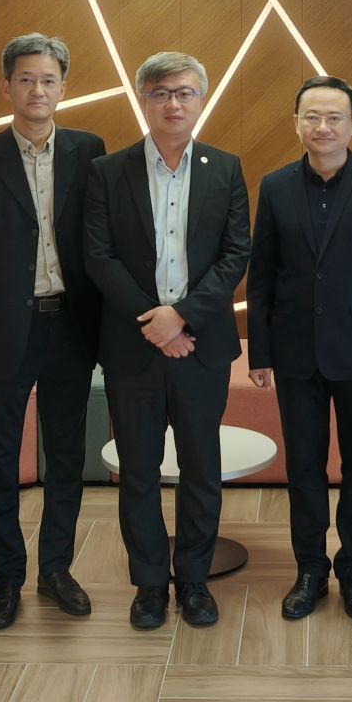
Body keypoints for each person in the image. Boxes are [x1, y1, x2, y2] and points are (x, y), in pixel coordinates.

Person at [85, 51, 251, 631]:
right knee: (138, 471)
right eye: (160, 93)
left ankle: (195, 582)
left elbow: (235, 254)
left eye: (184, 93)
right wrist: (153, 323)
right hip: (133, 349)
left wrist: (181, 318)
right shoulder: (109, 171)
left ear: (200, 100)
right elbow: (98, 256)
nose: (173, 104)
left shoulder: (225, 168)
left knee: (202, 468)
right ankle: (150, 584)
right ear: (144, 100)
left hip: (201, 348)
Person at [0, 34, 107, 630]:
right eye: (25, 79)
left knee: (66, 454)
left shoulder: (89, 150)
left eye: (47, 80)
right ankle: (6, 580)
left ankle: (56, 570)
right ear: (6, 86)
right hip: (4, 332)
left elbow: (102, 243)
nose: (37, 90)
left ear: (63, 87)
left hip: (71, 325)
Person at [247, 75, 352, 624]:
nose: (323, 126)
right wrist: (260, 352)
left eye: (334, 117)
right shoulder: (274, 187)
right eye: (312, 116)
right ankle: (310, 571)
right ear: (296, 123)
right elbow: (262, 276)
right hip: (295, 353)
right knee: (304, 469)